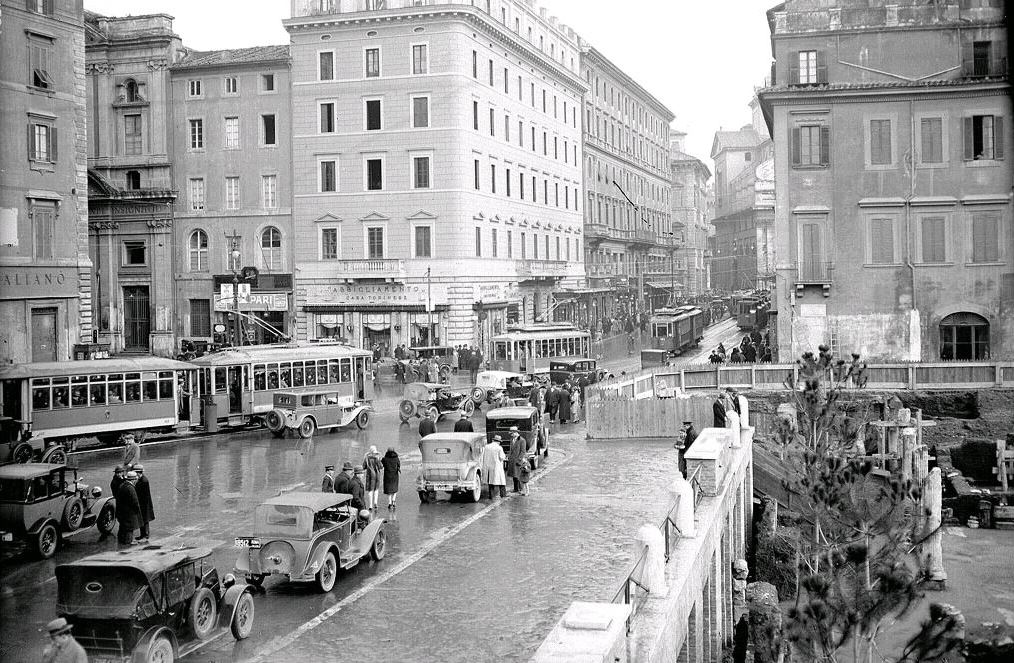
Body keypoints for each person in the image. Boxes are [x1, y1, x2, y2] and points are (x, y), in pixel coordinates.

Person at [116, 471, 141, 546]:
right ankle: (128, 543)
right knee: (129, 528)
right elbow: (135, 501)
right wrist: (137, 510)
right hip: (129, 513)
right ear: (133, 480)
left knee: (122, 527)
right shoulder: (131, 488)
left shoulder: (122, 485)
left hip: (121, 511)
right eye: (136, 480)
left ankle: (120, 542)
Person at [481, 435, 508, 499]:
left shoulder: (486, 446)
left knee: (490, 481)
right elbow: (502, 457)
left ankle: (491, 495)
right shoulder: (499, 448)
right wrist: (505, 457)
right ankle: (503, 494)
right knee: (501, 481)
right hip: (497, 466)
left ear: (493, 440)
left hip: (488, 466)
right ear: (499, 442)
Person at [134, 464, 154, 543]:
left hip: (144, 504)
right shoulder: (142, 479)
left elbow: (143, 494)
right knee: (143, 519)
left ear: (139, 473)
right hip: (143, 503)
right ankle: (143, 534)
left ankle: (145, 535)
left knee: (144, 520)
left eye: (136, 473)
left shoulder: (144, 481)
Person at [363, 445, 383, 510]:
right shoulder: (378, 457)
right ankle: (375, 503)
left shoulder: (366, 457)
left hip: (369, 475)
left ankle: (370, 505)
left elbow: (363, 466)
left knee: (370, 490)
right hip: (377, 475)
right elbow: (381, 467)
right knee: (376, 489)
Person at [507, 427, 527, 493]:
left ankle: (520, 488)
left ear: (516, 433)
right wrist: (509, 456)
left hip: (518, 460)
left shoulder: (522, 440)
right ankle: (516, 489)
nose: (511, 435)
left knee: (518, 475)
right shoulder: (512, 439)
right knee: (514, 475)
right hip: (512, 460)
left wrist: (519, 459)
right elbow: (511, 449)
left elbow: (523, 451)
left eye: (512, 433)